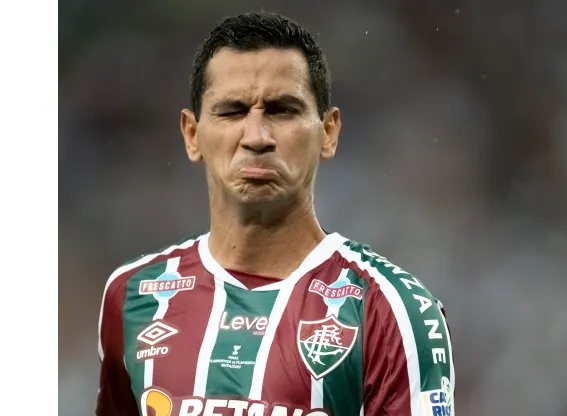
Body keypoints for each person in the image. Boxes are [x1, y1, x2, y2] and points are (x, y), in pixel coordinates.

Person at [96, 11, 454, 416]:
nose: (256, 137)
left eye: (282, 110)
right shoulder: (131, 296)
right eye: (232, 111)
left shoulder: (392, 310)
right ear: (192, 135)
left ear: (328, 132)